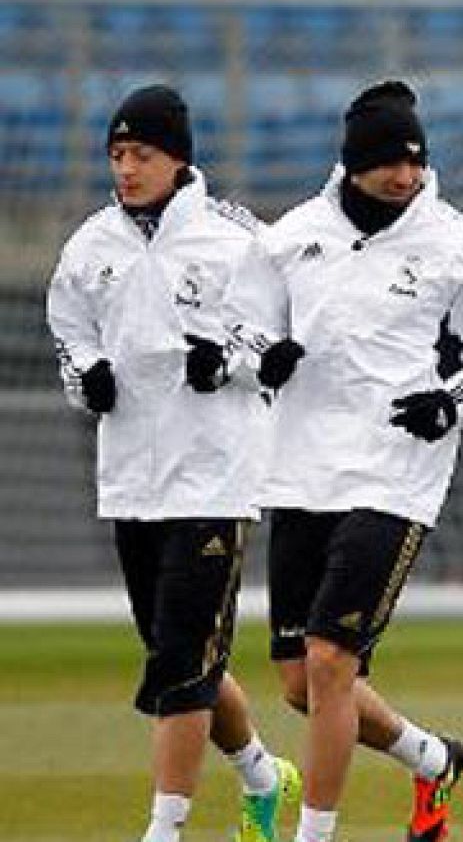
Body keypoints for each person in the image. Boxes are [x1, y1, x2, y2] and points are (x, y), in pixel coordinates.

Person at [224, 80, 463, 842]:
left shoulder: (454, 240)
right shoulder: (293, 235)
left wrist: (452, 400)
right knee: (305, 685)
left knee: (334, 659)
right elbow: (236, 326)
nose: (405, 176)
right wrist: (260, 358)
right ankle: (432, 758)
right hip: (299, 472)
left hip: (396, 476)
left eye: (415, 161)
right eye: (388, 163)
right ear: (353, 164)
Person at [44, 85, 300, 842]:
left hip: (215, 474)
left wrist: (227, 363)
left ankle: (165, 829)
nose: (125, 168)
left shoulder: (238, 238)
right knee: (175, 653)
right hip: (130, 477)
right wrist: (85, 373)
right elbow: (69, 330)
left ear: (179, 157)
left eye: (141, 154)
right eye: (117, 155)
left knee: (184, 661)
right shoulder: (91, 244)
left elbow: (279, 340)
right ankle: (260, 771)